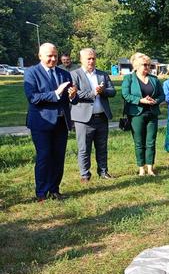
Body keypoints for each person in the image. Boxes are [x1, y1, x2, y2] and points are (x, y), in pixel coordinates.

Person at [24, 43, 79, 201]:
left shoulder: (64, 74)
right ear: (40, 56)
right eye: (49, 56)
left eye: (55, 55)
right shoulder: (31, 73)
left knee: (58, 157)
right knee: (44, 156)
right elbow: (33, 98)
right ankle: (41, 193)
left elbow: (73, 100)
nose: (53, 59)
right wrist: (55, 93)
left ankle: (54, 189)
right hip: (41, 122)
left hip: (61, 123)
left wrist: (72, 95)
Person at [70, 48, 116, 182]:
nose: (91, 61)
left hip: (101, 117)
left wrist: (102, 91)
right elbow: (74, 94)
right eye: (88, 58)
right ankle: (85, 175)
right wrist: (92, 93)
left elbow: (112, 91)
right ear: (81, 60)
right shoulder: (74, 74)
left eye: (93, 58)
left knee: (102, 147)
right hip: (83, 119)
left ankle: (103, 171)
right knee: (84, 148)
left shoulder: (102, 74)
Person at [121, 52, 165, 176]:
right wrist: (140, 100)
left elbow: (162, 95)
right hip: (136, 114)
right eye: (144, 65)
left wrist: (155, 101)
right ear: (136, 65)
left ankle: (150, 168)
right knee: (139, 142)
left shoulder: (154, 79)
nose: (147, 67)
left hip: (152, 113)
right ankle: (141, 167)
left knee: (151, 141)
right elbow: (125, 95)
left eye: (149, 65)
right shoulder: (129, 78)